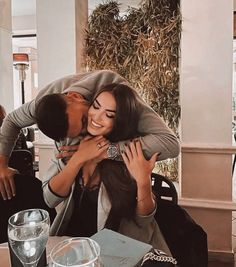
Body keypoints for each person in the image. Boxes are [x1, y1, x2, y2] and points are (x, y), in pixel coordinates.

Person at [0, 70, 180, 200]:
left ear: (74, 97)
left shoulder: (116, 94)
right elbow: (11, 121)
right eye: (77, 135)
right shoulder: (42, 105)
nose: (86, 136)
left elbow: (170, 143)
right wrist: (2, 165)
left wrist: (106, 150)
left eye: (85, 121)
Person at [43, 83, 170, 253]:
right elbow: (50, 200)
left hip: (118, 251)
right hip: (72, 248)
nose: (96, 117)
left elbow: (143, 220)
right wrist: (80, 158)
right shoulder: (69, 144)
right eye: (95, 106)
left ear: (119, 121)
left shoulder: (127, 152)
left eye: (109, 115)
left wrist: (143, 182)